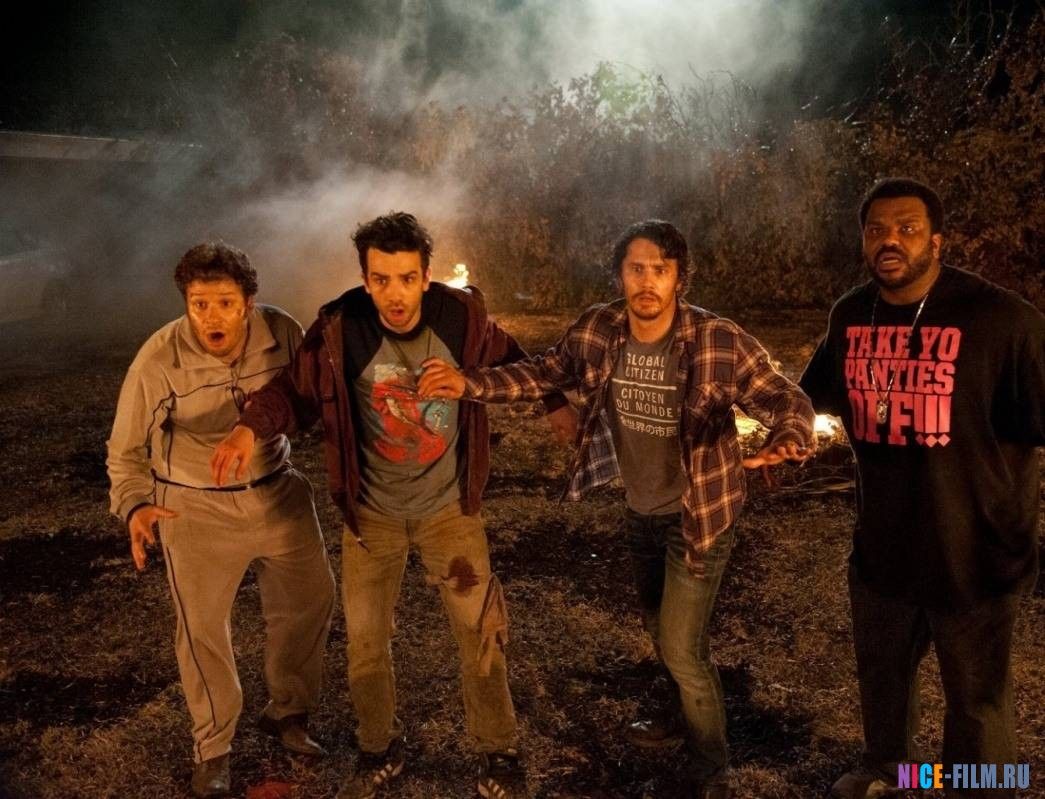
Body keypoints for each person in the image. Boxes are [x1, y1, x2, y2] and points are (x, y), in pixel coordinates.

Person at [419, 219, 816, 799]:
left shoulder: (717, 339)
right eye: (636, 269)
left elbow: (785, 396)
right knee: (658, 628)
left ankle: (712, 770)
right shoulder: (600, 329)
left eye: (660, 270)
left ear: (680, 278)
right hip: (640, 509)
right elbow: (544, 373)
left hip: (701, 514)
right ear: (619, 275)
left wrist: (789, 437)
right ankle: (676, 712)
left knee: (683, 648)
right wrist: (469, 384)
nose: (647, 282)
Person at [211, 212, 574, 799]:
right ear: (365, 278)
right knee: (365, 644)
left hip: (449, 511)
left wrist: (555, 401)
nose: (395, 294)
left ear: (427, 276)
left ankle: (499, 751)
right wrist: (248, 428)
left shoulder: (460, 318)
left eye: (407, 279)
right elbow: (292, 391)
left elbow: (513, 357)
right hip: (372, 516)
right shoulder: (342, 328)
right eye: (381, 280)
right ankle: (379, 746)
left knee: (480, 633)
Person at [798, 177, 1044, 799]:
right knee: (882, 684)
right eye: (877, 230)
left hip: (975, 555)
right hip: (883, 549)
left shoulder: (1002, 320)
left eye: (907, 229)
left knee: (977, 706)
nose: (890, 241)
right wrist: (778, 436)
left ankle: (979, 789)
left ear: (937, 241)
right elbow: (811, 402)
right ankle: (889, 772)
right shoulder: (851, 315)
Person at [106, 242, 336, 798]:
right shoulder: (159, 358)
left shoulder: (282, 333)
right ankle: (213, 748)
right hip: (194, 503)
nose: (211, 317)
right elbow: (124, 450)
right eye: (199, 304)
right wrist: (135, 505)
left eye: (225, 303)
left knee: (311, 599)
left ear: (248, 303)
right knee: (202, 629)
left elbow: (308, 398)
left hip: (275, 490)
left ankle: (289, 712)